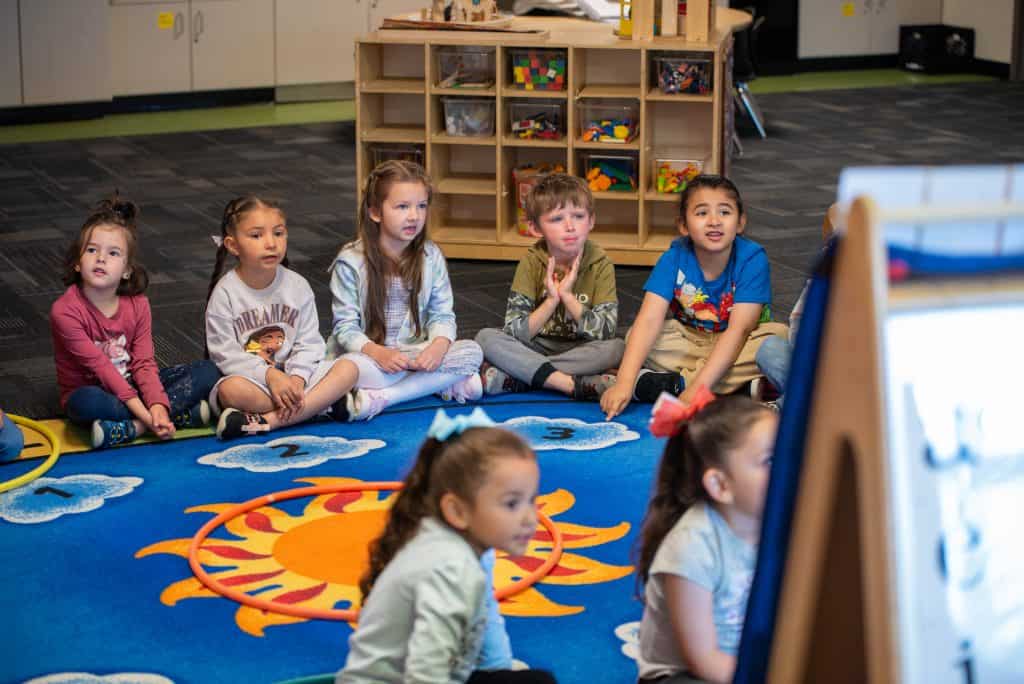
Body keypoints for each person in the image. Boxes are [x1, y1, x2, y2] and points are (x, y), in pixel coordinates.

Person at [338, 407, 556, 684]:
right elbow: (425, 675)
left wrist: (500, 670)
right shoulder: (450, 567)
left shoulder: (465, 545)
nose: (529, 518)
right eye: (512, 503)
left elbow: (485, 613)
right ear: (457, 511)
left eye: (531, 500)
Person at [600, 175, 788, 420]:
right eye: (701, 213)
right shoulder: (673, 258)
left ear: (740, 222)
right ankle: (737, 388)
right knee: (639, 337)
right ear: (684, 226)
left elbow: (739, 331)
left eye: (724, 212)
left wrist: (692, 394)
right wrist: (624, 383)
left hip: (740, 342)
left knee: (776, 338)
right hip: (691, 341)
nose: (714, 222)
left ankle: (674, 384)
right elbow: (648, 321)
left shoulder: (752, 259)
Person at [51, 196, 219, 449]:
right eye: (91, 250)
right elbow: (102, 369)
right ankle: (173, 418)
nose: (101, 258)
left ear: (127, 270)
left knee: (208, 371)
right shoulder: (65, 311)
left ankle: (130, 429)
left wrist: (157, 405)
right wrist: (148, 414)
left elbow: (143, 363)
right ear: (77, 262)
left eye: (113, 253)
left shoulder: (138, 305)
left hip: (133, 387)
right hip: (93, 391)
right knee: (84, 403)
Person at [636, 388, 778, 684]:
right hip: (684, 675)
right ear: (720, 484)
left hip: (747, 657)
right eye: (769, 461)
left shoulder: (780, 525)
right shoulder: (691, 547)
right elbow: (704, 661)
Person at [328, 160, 483, 421]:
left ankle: (384, 398)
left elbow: (442, 315)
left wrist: (438, 346)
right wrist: (378, 352)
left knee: (472, 352)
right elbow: (345, 328)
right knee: (343, 370)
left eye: (421, 206)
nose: (414, 216)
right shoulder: (350, 261)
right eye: (402, 207)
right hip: (368, 357)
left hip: (414, 354)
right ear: (375, 212)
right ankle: (435, 385)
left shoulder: (431, 257)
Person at [205, 195, 359, 439]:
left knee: (349, 368)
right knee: (230, 391)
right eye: (256, 236)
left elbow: (309, 342)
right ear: (233, 245)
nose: (271, 243)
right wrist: (270, 375)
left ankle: (267, 422)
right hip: (256, 382)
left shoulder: (298, 285)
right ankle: (321, 406)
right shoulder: (225, 293)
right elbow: (225, 354)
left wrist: (297, 378)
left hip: (299, 380)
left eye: (278, 233)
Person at [474, 173, 625, 400]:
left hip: (581, 350)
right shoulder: (532, 261)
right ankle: (567, 383)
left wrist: (567, 297)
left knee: (617, 348)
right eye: (556, 219)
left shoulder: (600, 263)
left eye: (578, 216)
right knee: (485, 338)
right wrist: (551, 301)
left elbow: (604, 334)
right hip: (536, 347)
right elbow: (514, 333)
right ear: (536, 228)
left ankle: (522, 377)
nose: (570, 226)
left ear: (591, 220)